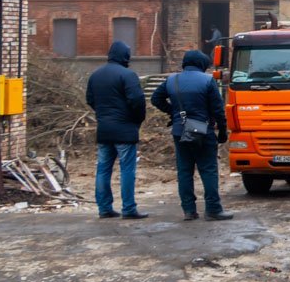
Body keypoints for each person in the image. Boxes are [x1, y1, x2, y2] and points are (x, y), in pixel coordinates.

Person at [151, 49, 233, 221]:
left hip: (180, 131)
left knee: (184, 171)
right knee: (208, 170)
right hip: (204, 132)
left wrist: (173, 113)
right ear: (202, 64)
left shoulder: (172, 80)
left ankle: (189, 210)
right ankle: (213, 210)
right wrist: (223, 131)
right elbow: (218, 110)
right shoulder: (207, 80)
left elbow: (155, 99)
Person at [85, 41, 148, 220]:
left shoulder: (95, 75)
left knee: (103, 169)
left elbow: (89, 99)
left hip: (104, 128)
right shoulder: (128, 75)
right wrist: (137, 120)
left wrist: (103, 114)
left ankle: (104, 208)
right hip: (125, 129)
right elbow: (137, 100)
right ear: (125, 56)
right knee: (127, 169)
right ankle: (128, 208)